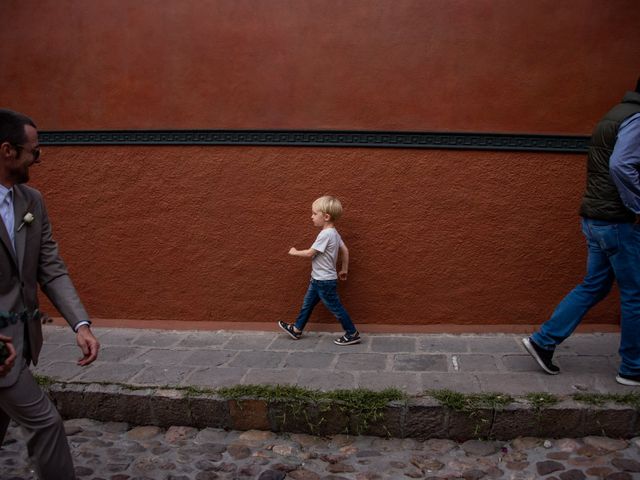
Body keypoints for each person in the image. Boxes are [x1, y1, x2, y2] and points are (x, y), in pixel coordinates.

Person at [0, 109, 100, 478]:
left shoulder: (32, 202)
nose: (40, 158)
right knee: (47, 425)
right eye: (35, 151)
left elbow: (51, 268)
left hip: (21, 345)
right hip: (2, 353)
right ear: (8, 151)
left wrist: (81, 325)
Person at [523, 78, 640, 386]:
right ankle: (632, 367)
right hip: (616, 220)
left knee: (595, 285)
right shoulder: (637, 118)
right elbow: (622, 165)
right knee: (635, 294)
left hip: (596, 218)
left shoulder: (615, 113)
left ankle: (543, 340)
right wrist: (637, 203)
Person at [278, 195, 361, 345]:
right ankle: (296, 329)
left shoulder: (325, 234)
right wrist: (344, 269)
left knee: (335, 308)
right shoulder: (334, 233)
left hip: (324, 282)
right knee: (307, 304)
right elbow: (345, 250)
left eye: (315, 214)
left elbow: (310, 253)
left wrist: (294, 251)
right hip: (318, 280)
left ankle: (352, 333)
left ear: (326, 216)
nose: (312, 217)